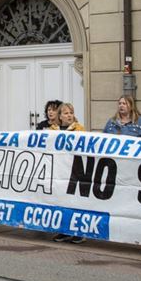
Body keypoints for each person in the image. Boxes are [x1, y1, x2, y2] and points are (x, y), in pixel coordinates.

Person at [53, 102, 87, 244]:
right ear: (60, 116)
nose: (69, 116)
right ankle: (64, 230)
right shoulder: (52, 130)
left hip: (74, 170)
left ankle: (78, 231)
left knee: (75, 201)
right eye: (66, 113)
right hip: (59, 171)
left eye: (71, 113)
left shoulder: (79, 129)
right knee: (60, 200)